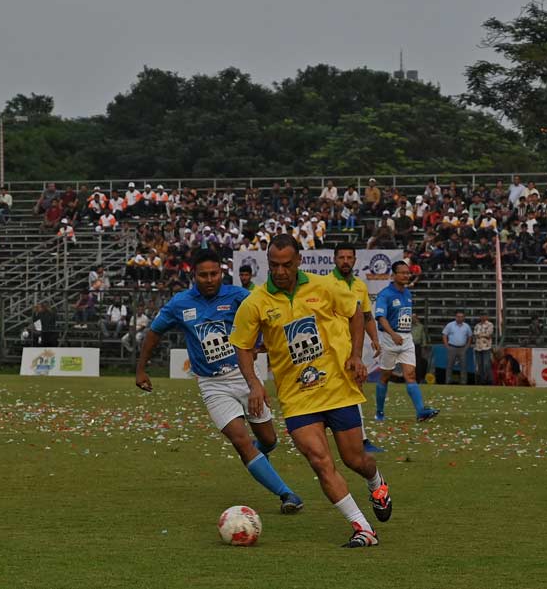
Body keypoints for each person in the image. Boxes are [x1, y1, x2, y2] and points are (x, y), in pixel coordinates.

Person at [231, 234, 387, 548]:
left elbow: (356, 313)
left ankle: (376, 482)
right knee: (319, 461)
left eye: (287, 264)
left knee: (356, 460)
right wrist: (255, 383)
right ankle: (363, 528)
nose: (280, 271)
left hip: (337, 389)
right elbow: (243, 346)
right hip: (298, 398)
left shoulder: (325, 287)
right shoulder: (256, 302)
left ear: (299, 260)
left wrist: (356, 355)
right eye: (274, 265)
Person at [136, 248, 304, 515]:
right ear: (194, 275)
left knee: (268, 439)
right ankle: (287, 494)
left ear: (221, 274)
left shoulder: (238, 296)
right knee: (241, 441)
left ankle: (256, 460)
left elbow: (266, 316)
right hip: (212, 384)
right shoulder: (180, 303)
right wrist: (141, 369)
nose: (209, 279)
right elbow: (154, 332)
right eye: (203, 275)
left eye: (214, 273)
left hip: (244, 376)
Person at [325, 243, 384, 453]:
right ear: (334, 259)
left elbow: (367, 316)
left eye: (349, 257)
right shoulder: (326, 284)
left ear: (355, 260)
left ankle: (359, 438)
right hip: (333, 347)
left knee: (354, 387)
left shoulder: (360, 286)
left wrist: (375, 339)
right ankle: (359, 440)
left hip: (354, 347)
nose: (345, 261)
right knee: (344, 388)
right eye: (341, 257)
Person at [374, 261, 440, 422]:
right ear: (393, 275)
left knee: (410, 375)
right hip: (390, 339)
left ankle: (420, 412)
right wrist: (393, 334)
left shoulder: (407, 293)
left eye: (407, 273)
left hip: (406, 338)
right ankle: (380, 412)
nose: (406, 275)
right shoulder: (385, 294)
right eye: (402, 273)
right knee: (385, 376)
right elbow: (381, 318)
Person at [442, 311, 473, 384]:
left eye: (461, 317)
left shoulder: (466, 326)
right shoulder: (450, 325)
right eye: (458, 316)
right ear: (456, 317)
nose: (460, 318)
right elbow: (444, 335)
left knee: (463, 366)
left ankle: (463, 382)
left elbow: (470, 336)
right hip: (452, 347)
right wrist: (447, 345)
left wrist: (467, 346)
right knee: (449, 365)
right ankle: (448, 381)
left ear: (464, 318)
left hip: (462, 348)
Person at [473, 313, 495, 385]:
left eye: (484, 316)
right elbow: (475, 334)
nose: (483, 317)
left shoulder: (490, 324)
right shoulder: (477, 325)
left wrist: (480, 335)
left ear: (487, 317)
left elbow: (489, 335)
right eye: (481, 316)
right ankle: (482, 381)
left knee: (486, 364)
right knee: (479, 365)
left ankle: (489, 380)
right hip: (478, 347)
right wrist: (483, 335)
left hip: (486, 347)